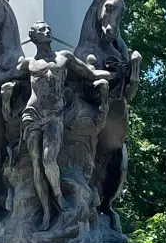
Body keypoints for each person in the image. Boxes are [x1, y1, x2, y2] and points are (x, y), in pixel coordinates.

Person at [16, 21, 110, 230]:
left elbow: (90, 74)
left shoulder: (64, 57)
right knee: (37, 166)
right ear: (33, 36)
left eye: (48, 28)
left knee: (50, 161)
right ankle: (47, 212)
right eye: (42, 30)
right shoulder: (28, 63)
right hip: (32, 114)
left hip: (54, 115)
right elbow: (3, 76)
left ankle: (58, 198)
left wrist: (112, 77)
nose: (47, 31)